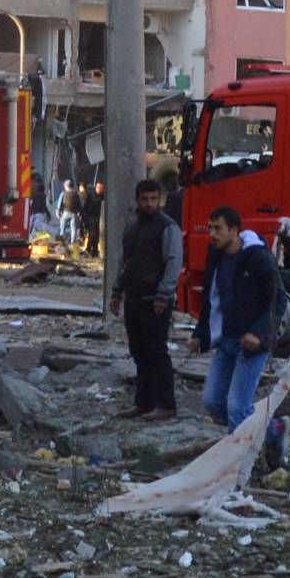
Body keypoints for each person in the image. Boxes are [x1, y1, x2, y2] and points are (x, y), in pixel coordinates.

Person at [196, 203, 282, 433]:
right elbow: (211, 297)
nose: (212, 234)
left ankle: (241, 464)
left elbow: (278, 300)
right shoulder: (215, 255)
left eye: (217, 228)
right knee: (213, 401)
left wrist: (257, 332)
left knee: (237, 407)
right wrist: (199, 333)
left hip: (252, 345)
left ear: (234, 231)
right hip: (226, 341)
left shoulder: (258, 258)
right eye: (210, 228)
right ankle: (273, 432)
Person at [108, 177, 185, 419]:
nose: (150, 203)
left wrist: (164, 294)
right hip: (134, 298)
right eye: (145, 199)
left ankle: (165, 404)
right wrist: (117, 292)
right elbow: (125, 262)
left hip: (155, 300)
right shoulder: (132, 228)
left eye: (154, 199)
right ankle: (144, 402)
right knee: (139, 351)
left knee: (156, 351)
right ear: (138, 200)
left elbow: (173, 263)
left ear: (160, 200)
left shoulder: (167, 227)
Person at [56, 176, 83, 249]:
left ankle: (62, 243)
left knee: (62, 228)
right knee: (73, 229)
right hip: (74, 214)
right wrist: (79, 213)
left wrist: (58, 211)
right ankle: (72, 243)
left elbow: (59, 204)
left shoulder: (63, 193)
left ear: (66, 186)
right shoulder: (76, 194)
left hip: (65, 213)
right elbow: (79, 205)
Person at [81, 176, 106, 258]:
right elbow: (85, 205)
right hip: (91, 217)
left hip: (99, 218)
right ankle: (88, 249)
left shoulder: (104, 196)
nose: (99, 189)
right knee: (92, 235)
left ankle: (94, 251)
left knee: (97, 235)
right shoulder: (90, 195)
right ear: (95, 187)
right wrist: (83, 215)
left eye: (101, 188)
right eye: (98, 187)